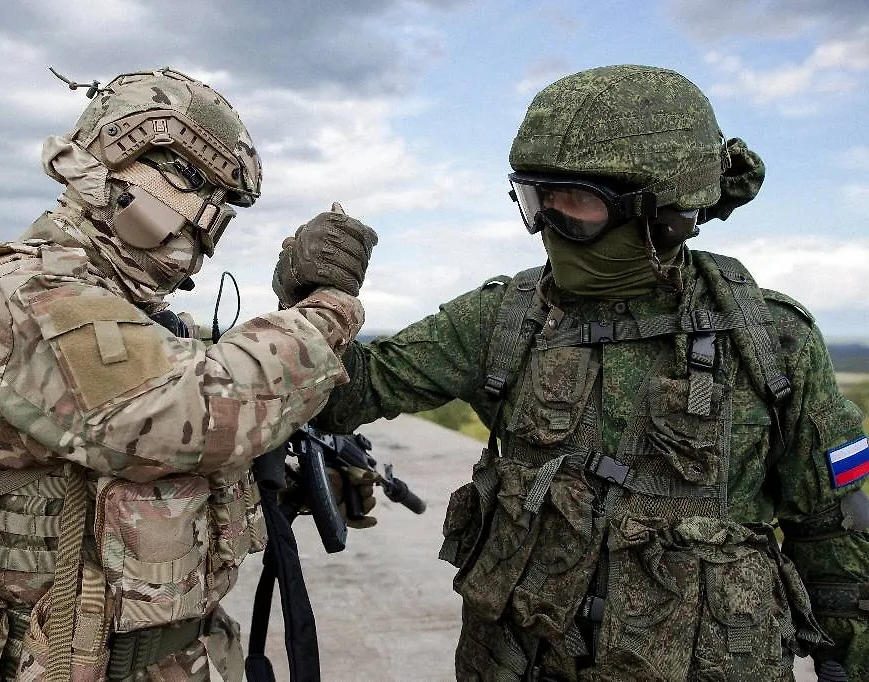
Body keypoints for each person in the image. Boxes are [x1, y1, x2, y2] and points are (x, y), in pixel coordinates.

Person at [304, 64, 869, 680]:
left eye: (576, 203)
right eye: (536, 200)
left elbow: (835, 535)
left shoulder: (772, 340)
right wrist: (314, 299)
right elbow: (342, 393)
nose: (551, 226)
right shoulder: (504, 319)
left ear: (665, 214)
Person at [0, 67, 377, 681]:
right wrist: (325, 311)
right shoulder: (28, 295)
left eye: (219, 206)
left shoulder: (127, 312)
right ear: (114, 158)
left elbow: (138, 476)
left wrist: (290, 481)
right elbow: (185, 416)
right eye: (189, 180)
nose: (203, 223)